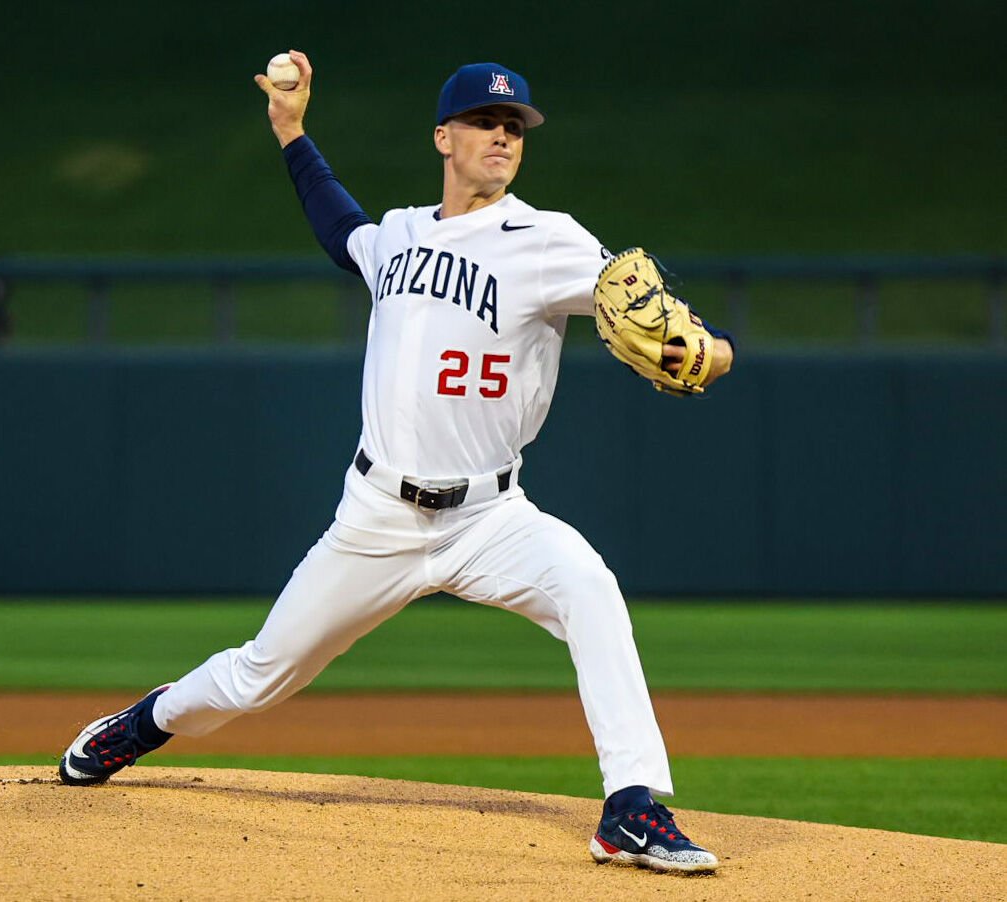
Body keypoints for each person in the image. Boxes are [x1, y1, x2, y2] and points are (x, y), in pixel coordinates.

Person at [59, 52, 735, 875]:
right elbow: (339, 227)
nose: (502, 136)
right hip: (377, 516)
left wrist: (713, 352)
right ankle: (145, 723)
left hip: (490, 517)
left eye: (514, 125)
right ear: (443, 136)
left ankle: (631, 807)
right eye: (486, 122)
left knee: (588, 587)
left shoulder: (548, 240)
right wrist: (289, 130)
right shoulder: (402, 233)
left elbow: (653, 318)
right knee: (260, 675)